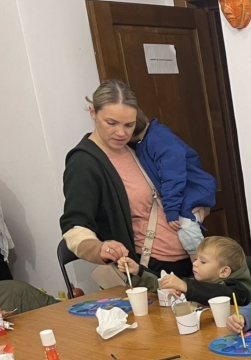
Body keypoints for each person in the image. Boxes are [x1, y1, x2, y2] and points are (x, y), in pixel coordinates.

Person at [59, 80, 204, 279]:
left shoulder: (137, 146)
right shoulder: (84, 163)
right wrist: (99, 248)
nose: (121, 133)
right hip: (149, 269)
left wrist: (200, 206)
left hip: (191, 261)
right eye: (111, 123)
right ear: (93, 112)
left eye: (129, 124)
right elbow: (75, 226)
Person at [130, 111, 217, 255]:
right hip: (188, 188)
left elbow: (173, 175)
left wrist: (171, 209)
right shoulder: (146, 140)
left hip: (192, 189)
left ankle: (200, 262)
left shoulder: (159, 138)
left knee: (186, 226)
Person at [117, 236, 251, 306]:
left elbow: (222, 294)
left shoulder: (239, 290)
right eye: (196, 259)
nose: (195, 264)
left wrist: (185, 286)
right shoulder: (202, 280)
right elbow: (166, 282)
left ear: (224, 272)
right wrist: (138, 271)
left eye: (203, 262)